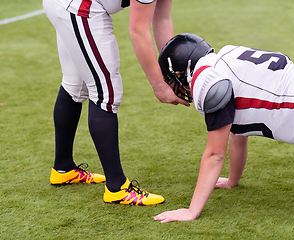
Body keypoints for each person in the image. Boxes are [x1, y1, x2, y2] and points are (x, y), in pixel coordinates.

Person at [153, 33, 294, 227]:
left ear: (183, 72)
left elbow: (215, 154)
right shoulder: (226, 56)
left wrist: (191, 212)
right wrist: (233, 180)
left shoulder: (208, 80)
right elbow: (236, 133)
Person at [43, 0, 189, 206]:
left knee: (75, 85)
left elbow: (161, 18)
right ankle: (117, 187)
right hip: (79, 7)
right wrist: (159, 85)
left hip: (65, 4)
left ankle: (63, 169)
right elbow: (138, 31)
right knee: (105, 92)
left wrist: (172, 72)